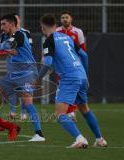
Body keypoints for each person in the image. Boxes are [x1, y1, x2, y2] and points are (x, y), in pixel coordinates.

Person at [38, 14, 107, 148]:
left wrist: (37, 79)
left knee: (60, 114)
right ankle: (100, 139)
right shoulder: (67, 37)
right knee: (85, 109)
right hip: (81, 76)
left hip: (69, 78)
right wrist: (85, 75)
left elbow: (47, 63)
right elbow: (84, 55)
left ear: (42, 27)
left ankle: (80, 139)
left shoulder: (49, 40)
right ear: (55, 24)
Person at [56, 11, 87, 120]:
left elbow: (82, 50)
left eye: (66, 17)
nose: (64, 19)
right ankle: (67, 111)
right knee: (62, 86)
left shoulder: (78, 32)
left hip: (75, 66)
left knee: (75, 87)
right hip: (62, 66)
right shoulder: (57, 31)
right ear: (60, 20)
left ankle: (72, 111)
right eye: (62, 17)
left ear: (71, 19)